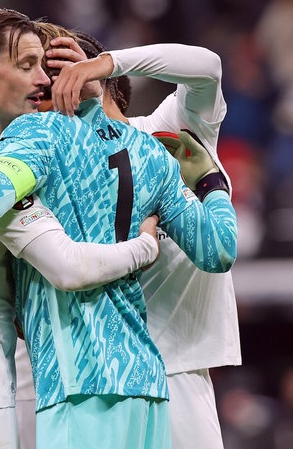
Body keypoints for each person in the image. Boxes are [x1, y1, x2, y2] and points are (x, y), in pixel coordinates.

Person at [0, 34, 237, 449]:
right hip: (145, 376)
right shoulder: (156, 154)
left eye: (42, 71)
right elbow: (219, 250)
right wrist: (211, 184)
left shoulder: (40, 139)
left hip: (84, 377)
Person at [47, 28, 241, 449]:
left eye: (60, 76)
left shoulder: (167, 129)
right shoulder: (55, 159)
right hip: (101, 376)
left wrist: (109, 61)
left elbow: (207, 68)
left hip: (178, 370)